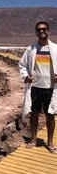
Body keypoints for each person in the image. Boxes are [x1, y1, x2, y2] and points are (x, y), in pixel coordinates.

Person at [19, 21, 57, 154]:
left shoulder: (56, 49)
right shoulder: (30, 49)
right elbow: (22, 65)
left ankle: (50, 143)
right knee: (34, 114)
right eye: (39, 30)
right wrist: (25, 77)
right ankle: (34, 139)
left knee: (50, 115)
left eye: (44, 29)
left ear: (48, 31)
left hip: (51, 88)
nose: (41, 31)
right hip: (35, 87)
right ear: (36, 32)